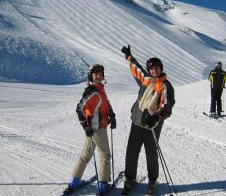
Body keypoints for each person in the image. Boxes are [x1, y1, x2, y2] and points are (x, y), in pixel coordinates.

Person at [120, 45, 175, 193]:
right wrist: (129, 57)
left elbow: (168, 106)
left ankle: (152, 180)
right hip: (137, 121)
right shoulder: (146, 80)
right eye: (151, 69)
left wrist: (157, 117)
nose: (153, 71)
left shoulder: (165, 86)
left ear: (161, 68)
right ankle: (130, 178)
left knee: (151, 153)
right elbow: (136, 69)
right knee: (131, 151)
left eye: (156, 68)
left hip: (152, 125)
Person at [65, 64, 117, 195]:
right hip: (97, 128)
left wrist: (111, 114)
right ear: (91, 76)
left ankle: (74, 182)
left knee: (86, 154)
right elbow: (79, 108)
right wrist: (86, 125)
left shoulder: (98, 89)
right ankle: (102, 185)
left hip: (92, 129)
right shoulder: (93, 91)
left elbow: (105, 103)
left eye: (100, 73)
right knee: (105, 155)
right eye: (96, 74)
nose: (99, 76)